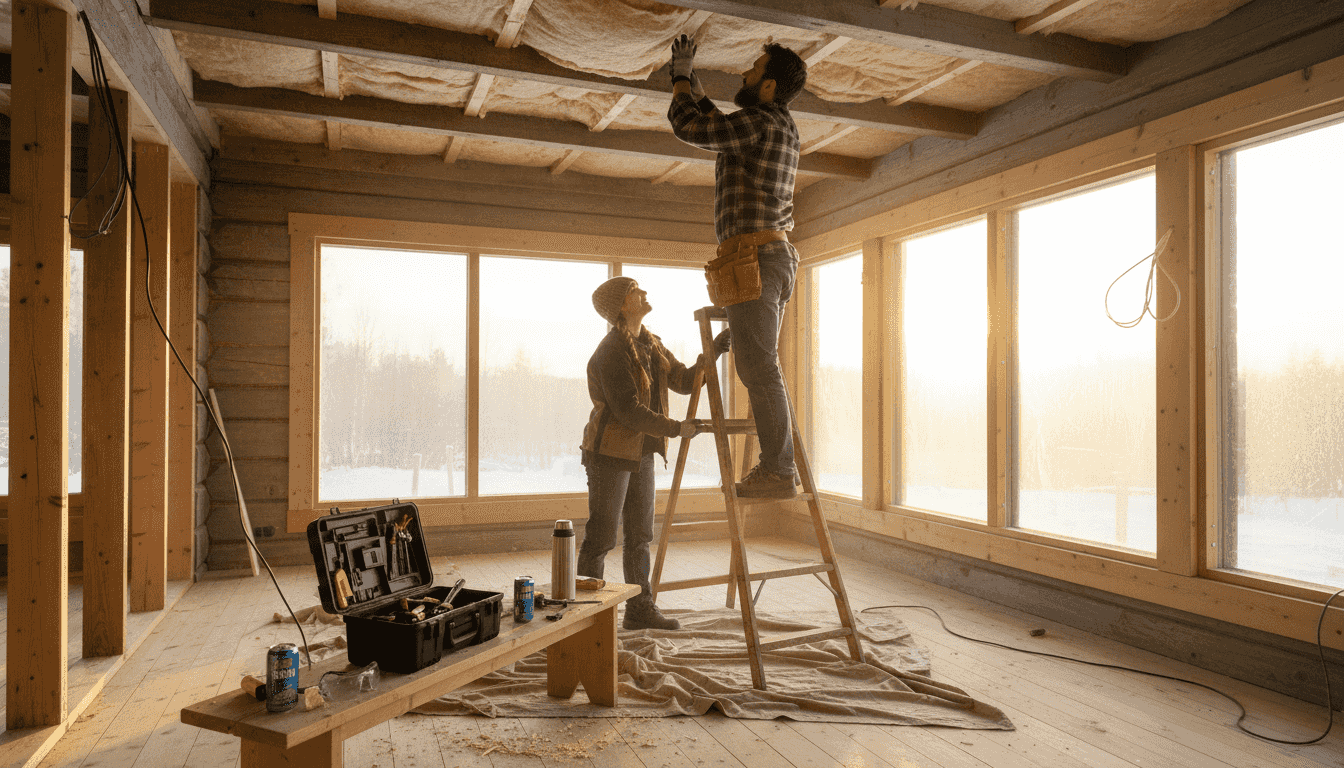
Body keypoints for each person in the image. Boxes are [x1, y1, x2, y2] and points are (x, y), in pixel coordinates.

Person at [666, 35, 808, 500]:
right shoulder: (774, 123)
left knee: (759, 369)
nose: (744, 74)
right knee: (760, 365)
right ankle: (780, 465)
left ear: (767, 87)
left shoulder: (761, 121)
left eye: (753, 70)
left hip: (756, 260)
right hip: (766, 258)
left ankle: (778, 471)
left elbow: (693, 129)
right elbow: (727, 129)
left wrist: (681, 80)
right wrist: (705, 98)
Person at [579, 276, 729, 630]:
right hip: (609, 456)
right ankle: (585, 616)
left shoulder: (651, 344)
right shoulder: (611, 351)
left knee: (640, 536)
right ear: (621, 305)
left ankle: (639, 609)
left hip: (642, 455)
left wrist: (714, 352)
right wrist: (677, 428)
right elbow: (628, 410)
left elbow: (683, 379)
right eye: (635, 291)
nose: (643, 293)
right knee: (602, 537)